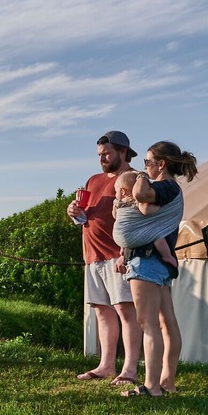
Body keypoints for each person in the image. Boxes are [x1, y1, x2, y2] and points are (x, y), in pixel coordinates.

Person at [121, 141, 198, 398]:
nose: (144, 168)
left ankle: (152, 386)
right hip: (158, 264)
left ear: (161, 164)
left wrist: (140, 177)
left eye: (147, 163)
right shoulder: (170, 189)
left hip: (147, 262)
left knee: (148, 325)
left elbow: (141, 195)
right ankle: (167, 380)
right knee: (167, 323)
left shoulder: (164, 186)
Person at [67, 131, 142, 386]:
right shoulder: (93, 180)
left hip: (118, 254)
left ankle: (129, 369)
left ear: (123, 152)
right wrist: (75, 213)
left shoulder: (133, 179)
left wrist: (126, 252)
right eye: (99, 154)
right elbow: (88, 215)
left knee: (125, 310)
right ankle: (106, 366)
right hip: (92, 254)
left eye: (107, 153)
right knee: (101, 310)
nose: (102, 159)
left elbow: (141, 214)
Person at [111, 171, 178, 269]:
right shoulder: (136, 202)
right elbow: (148, 211)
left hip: (120, 236)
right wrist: (161, 208)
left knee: (126, 226)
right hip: (131, 235)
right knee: (157, 235)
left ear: (122, 192)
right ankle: (167, 256)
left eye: (115, 191)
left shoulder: (118, 203)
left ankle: (123, 249)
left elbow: (114, 216)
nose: (115, 194)